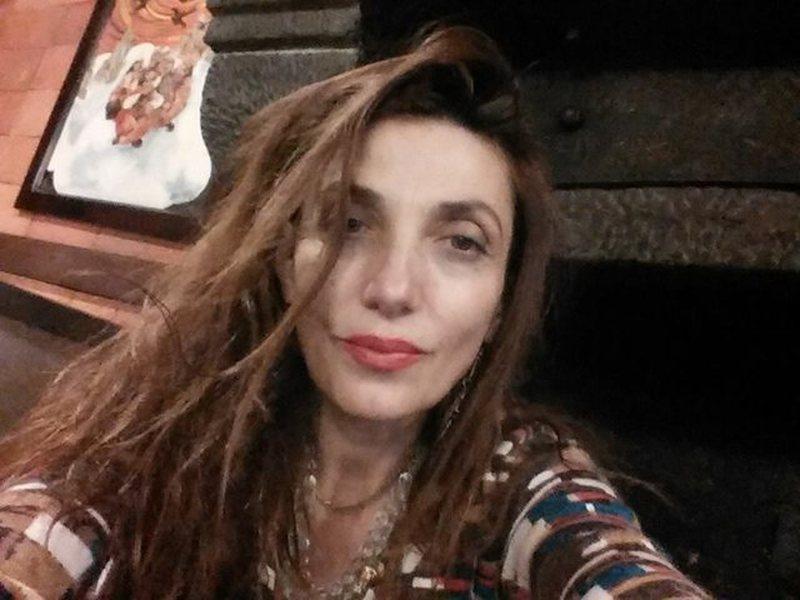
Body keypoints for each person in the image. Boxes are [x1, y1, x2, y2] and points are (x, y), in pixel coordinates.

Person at [0, 26, 712, 599]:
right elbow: (52, 521)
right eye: (347, 223)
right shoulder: (172, 432)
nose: (393, 288)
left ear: (500, 303)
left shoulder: (525, 494)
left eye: (462, 242)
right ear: (285, 261)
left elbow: (609, 566)